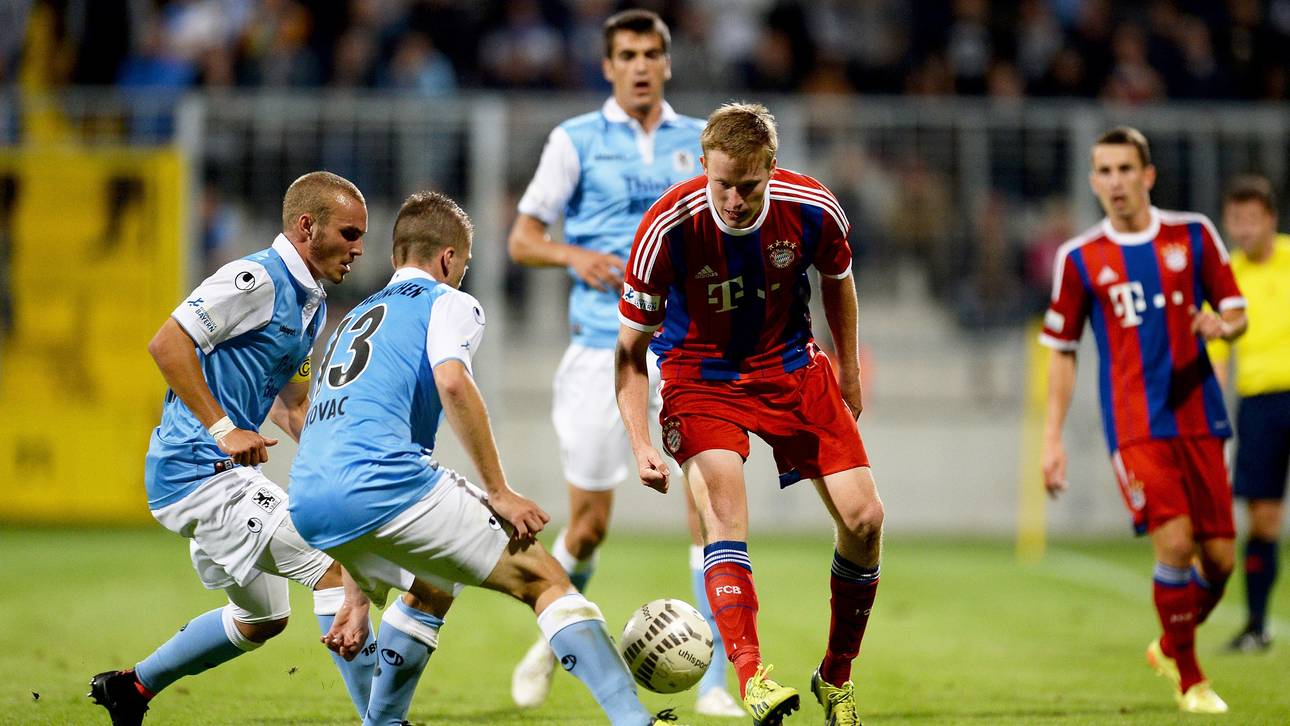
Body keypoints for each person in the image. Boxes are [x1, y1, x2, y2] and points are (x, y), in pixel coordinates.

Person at [288, 190, 682, 726]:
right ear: (449, 259)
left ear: (394, 256)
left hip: (311, 499)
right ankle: (635, 721)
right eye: (465, 264)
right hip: (381, 484)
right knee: (542, 577)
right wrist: (499, 490)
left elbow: (348, 451)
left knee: (433, 583)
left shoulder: (353, 319)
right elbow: (453, 380)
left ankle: (383, 722)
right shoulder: (449, 302)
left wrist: (357, 587)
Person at [507, 8, 742, 717]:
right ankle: (551, 643)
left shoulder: (698, 142)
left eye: (651, 54)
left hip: (685, 351)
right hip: (598, 351)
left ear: (668, 63)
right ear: (608, 66)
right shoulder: (573, 139)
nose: (640, 65)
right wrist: (574, 254)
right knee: (588, 526)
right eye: (627, 55)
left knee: (710, 511)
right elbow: (521, 239)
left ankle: (713, 686)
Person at [616, 102, 884, 726]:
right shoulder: (667, 227)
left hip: (792, 370)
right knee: (725, 511)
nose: (732, 200)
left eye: (748, 186)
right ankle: (751, 675)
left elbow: (838, 279)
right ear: (704, 166)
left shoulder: (813, 207)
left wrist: (847, 368)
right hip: (698, 376)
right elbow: (628, 352)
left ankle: (835, 677)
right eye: (721, 184)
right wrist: (639, 442)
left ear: (772, 169)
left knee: (865, 518)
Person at [89, 171, 384, 725]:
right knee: (335, 566)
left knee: (262, 621)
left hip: (224, 474)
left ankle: (131, 688)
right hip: (200, 470)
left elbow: (293, 404)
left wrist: (343, 454)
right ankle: (382, 720)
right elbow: (167, 342)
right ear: (306, 226)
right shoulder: (255, 279)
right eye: (348, 233)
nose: (358, 249)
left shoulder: (311, 303)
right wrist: (224, 427)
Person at [1039, 127, 1247, 714]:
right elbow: (1062, 348)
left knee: (1221, 562)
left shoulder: (1193, 235)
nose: (1115, 182)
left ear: (1147, 175)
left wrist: (1222, 326)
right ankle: (1192, 679)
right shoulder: (1080, 258)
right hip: (1136, 426)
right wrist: (1052, 438)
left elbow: (1234, 308)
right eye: (1103, 171)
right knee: (1175, 545)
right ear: (1092, 181)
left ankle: (1170, 643)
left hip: (1201, 418)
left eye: (1125, 169)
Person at [1209, 174, 1290, 652]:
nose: (1242, 229)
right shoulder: (1224, 278)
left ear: (1271, 220)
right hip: (1258, 404)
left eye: (1250, 219)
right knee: (1262, 518)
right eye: (1235, 219)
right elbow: (1217, 358)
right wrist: (1214, 419)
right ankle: (1257, 626)